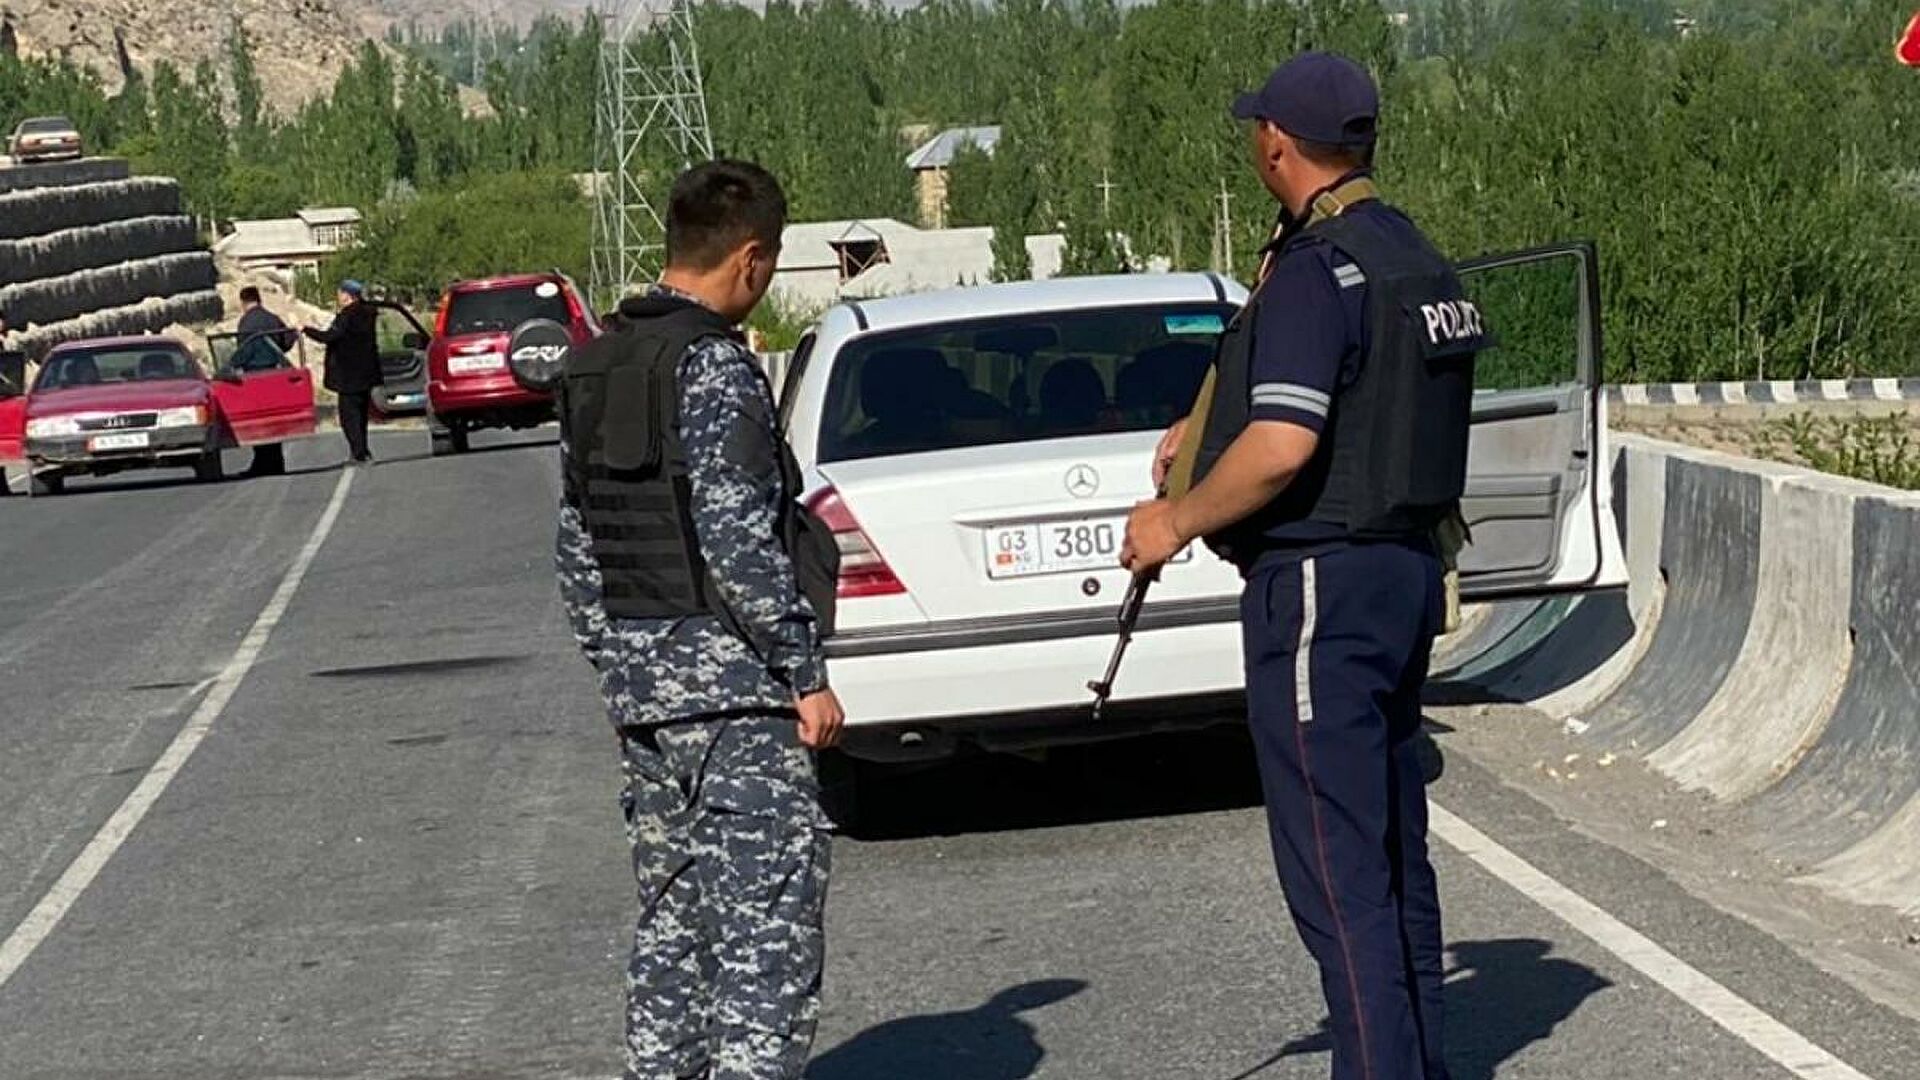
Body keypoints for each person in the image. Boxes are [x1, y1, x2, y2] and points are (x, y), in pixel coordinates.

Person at [1123, 52, 1488, 1080]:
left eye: (1257, 129)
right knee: (1391, 853)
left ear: (1276, 142)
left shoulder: (1316, 271)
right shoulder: (1409, 253)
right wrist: (1204, 426)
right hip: (1405, 570)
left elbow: (1284, 445)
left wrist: (1175, 521)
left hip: (1322, 581)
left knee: (1335, 872)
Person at [554, 159, 845, 1080]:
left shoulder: (595, 363)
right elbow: (736, 539)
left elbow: (576, 546)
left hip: (645, 699)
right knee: (765, 938)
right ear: (751, 258)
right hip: (736, 699)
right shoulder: (714, 367)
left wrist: (619, 674)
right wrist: (802, 671)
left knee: (674, 930)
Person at [303, 280, 381, 464]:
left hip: (348, 375)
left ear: (348, 295)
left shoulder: (347, 316)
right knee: (361, 416)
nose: (338, 297)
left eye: (340, 293)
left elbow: (330, 336)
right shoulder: (368, 313)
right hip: (366, 372)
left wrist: (307, 330)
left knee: (349, 417)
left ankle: (360, 454)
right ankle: (361, 450)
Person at [234, 286, 297, 371]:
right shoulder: (273, 318)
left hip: (251, 372)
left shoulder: (243, 323)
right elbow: (287, 342)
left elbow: (242, 350)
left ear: (243, 303)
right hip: (274, 369)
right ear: (259, 300)